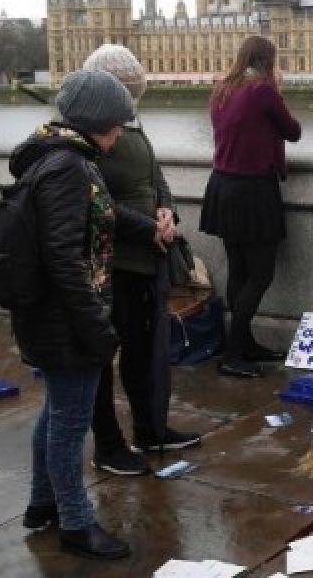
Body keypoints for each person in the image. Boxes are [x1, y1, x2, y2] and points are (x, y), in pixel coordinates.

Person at [12, 69, 157, 561]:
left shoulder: (62, 156)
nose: (121, 133)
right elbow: (63, 259)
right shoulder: (69, 168)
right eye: (117, 123)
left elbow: (105, 215)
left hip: (54, 317)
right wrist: (97, 328)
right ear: (97, 121)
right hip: (67, 320)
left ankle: (41, 504)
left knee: (53, 413)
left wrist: (152, 229)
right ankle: (76, 523)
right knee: (70, 424)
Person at [82, 45, 201, 477]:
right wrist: (146, 226)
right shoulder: (88, 137)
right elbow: (96, 202)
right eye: (126, 95)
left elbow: (156, 179)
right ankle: (109, 444)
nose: (131, 105)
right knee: (104, 358)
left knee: (146, 354)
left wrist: (167, 210)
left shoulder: (130, 125)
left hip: (148, 260)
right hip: (115, 265)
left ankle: (151, 428)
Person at [200, 35, 301, 378]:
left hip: (223, 186)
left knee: (239, 270)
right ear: (267, 61)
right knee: (260, 274)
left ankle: (243, 344)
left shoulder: (221, 90)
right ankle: (232, 354)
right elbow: (293, 131)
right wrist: (278, 88)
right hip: (253, 190)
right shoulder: (263, 91)